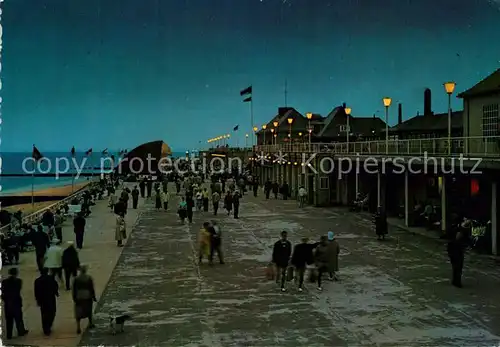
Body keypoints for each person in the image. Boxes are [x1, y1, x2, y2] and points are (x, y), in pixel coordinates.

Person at [1, 268, 28, 340]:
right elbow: (18, 290)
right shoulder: (18, 281)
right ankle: (20, 331)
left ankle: (9, 334)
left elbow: (3, 292)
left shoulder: (4, 282)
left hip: (8, 303)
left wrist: (5, 299)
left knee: (9, 319)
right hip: (16, 302)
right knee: (18, 318)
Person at [34, 267, 59, 336]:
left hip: (42, 300)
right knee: (52, 312)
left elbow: (36, 292)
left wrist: (37, 300)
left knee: (44, 313)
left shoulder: (37, 281)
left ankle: (45, 328)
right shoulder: (51, 279)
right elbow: (55, 286)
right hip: (50, 298)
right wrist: (56, 293)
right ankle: (49, 325)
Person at [73, 265, 97, 334]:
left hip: (79, 296)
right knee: (88, 309)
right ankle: (90, 323)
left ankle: (78, 327)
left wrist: (74, 298)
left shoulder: (76, 279)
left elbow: (74, 290)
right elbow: (91, 288)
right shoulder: (89, 278)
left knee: (78, 311)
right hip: (87, 296)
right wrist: (94, 297)